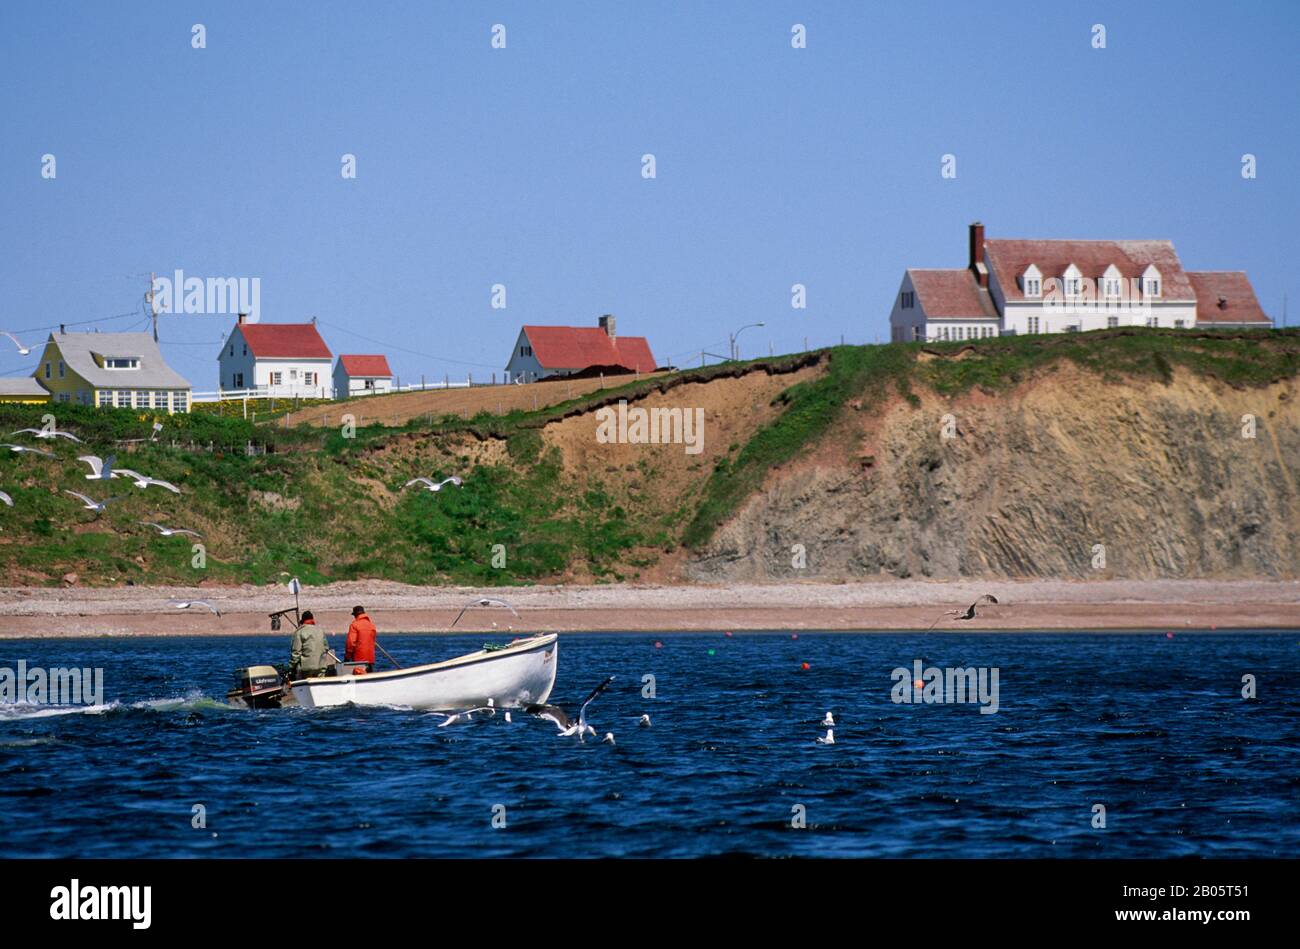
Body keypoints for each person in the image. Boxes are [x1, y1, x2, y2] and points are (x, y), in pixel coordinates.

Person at [289, 610, 331, 679]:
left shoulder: (299, 632)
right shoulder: (320, 631)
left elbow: (296, 654)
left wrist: (291, 668)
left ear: (302, 621)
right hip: (321, 668)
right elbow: (326, 648)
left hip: (306, 670)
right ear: (312, 620)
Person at [346, 605, 377, 671]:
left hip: (359, 659)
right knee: (369, 677)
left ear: (356, 615)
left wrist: (347, 657)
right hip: (370, 659)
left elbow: (351, 643)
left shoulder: (354, 625)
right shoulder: (371, 625)